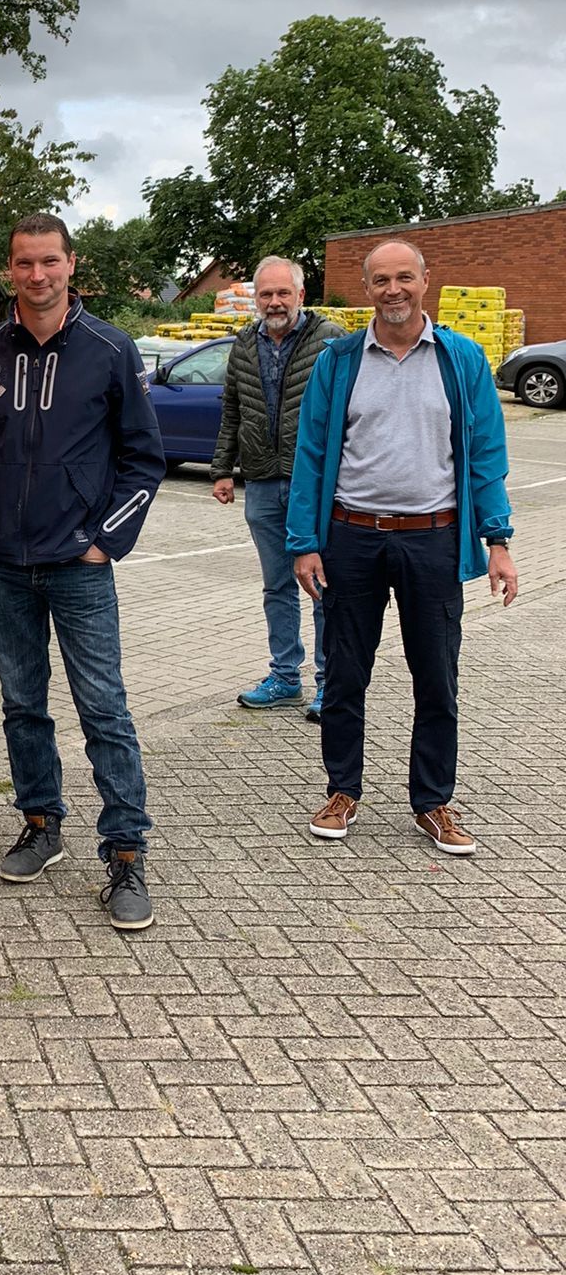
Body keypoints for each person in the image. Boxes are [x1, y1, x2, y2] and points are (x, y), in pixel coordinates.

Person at [0, 216, 166, 929]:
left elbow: (143, 460)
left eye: (49, 262)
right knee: (22, 705)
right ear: (10, 269)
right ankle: (41, 824)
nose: (37, 275)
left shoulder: (109, 349)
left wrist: (104, 543)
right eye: (25, 263)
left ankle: (126, 853)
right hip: (0, 567)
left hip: (79, 567)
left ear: (71, 265)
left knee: (105, 710)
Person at [287, 240, 518, 854]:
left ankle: (433, 801)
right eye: (382, 280)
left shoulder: (462, 359)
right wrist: (304, 542)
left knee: (437, 677)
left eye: (405, 278)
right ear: (367, 288)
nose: (394, 290)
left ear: (425, 281)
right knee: (344, 674)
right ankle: (342, 791)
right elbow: (311, 454)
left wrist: (498, 540)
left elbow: (487, 454)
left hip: (433, 539)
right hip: (351, 538)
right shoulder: (339, 361)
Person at [211, 258, 344, 721]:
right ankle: (286, 677)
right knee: (277, 586)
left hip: (314, 484)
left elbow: (348, 413)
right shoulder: (245, 343)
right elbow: (232, 407)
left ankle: (330, 683)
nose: (274, 302)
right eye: (265, 294)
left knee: (322, 585)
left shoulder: (331, 340)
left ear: (300, 295)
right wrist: (222, 469)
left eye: (283, 293)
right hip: (262, 481)